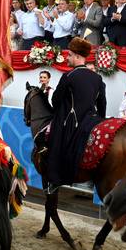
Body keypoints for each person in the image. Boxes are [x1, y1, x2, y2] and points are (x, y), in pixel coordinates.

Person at [46, 37, 106, 193]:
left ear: (78, 57)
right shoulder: (98, 78)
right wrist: (100, 120)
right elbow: (102, 104)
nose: (67, 57)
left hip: (72, 122)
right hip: (92, 121)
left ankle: (54, 179)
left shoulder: (69, 76)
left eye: (70, 55)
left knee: (53, 137)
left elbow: (55, 101)